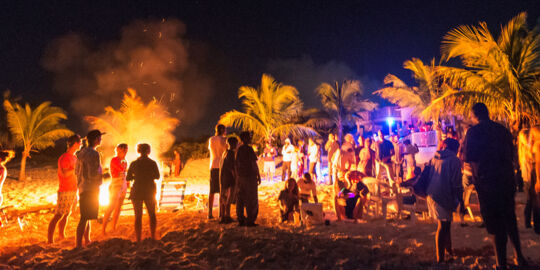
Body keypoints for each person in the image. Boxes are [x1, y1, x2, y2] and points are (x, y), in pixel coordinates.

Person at [462, 103, 527, 269]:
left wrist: (477, 180)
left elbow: (471, 159)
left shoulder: (473, 132)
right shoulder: (502, 129)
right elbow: (512, 155)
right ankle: (519, 256)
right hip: (506, 180)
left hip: (487, 183)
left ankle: (501, 263)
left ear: (474, 115)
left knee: (496, 225)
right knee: (510, 218)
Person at [426, 138, 463, 263]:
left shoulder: (435, 157)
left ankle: (449, 251)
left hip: (432, 194)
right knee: (443, 226)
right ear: (456, 149)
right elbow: (457, 183)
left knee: (446, 224)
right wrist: (461, 201)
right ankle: (440, 258)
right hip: (443, 194)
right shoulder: (455, 161)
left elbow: (430, 176)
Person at [48, 135, 82, 244]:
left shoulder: (74, 157)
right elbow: (65, 173)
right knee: (59, 214)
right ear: (75, 144)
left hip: (73, 189)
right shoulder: (65, 157)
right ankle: (50, 240)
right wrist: (75, 169)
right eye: (80, 142)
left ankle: (61, 234)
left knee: (67, 214)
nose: (81, 145)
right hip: (65, 189)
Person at [75, 129, 105, 248]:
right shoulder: (94, 154)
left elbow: (77, 171)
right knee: (84, 217)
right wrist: (103, 176)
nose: (101, 140)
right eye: (99, 137)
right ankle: (78, 244)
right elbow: (92, 173)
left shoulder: (81, 153)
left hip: (83, 187)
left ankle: (87, 240)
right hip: (90, 188)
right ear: (95, 139)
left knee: (86, 216)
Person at [126, 143, 160, 242]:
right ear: (148, 151)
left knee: (138, 216)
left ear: (138, 151)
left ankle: (138, 239)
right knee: (152, 214)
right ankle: (153, 236)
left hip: (137, 191)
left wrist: (135, 177)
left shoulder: (134, 163)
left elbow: (128, 177)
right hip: (149, 190)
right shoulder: (152, 163)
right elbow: (157, 176)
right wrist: (148, 176)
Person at [102, 143, 129, 235]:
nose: (125, 152)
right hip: (116, 184)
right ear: (118, 150)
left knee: (118, 208)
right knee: (111, 207)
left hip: (123, 184)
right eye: (123, 150)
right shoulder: (114, 160)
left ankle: (113, 227)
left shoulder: (124, 160)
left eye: (126, 150)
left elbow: (125, 173)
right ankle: (103, 229)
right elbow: (122, 170)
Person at [235, 131, 261, 227]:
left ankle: (240, 219)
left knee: (241, 198)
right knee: (252, 199)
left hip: (241, 177)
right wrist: (258, 175)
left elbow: (236, 164)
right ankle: (250, 220)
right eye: (249, 137)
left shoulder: (238, 150)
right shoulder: (249, 149)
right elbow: (253, 163)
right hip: (250, 176)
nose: (250, 139)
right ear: (245, 138)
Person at [208, 124, 227, 219]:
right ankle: (221, 213)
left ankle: (210, 213)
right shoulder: (224, 140)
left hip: (212, 165)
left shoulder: (211, 139)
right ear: (222, 130)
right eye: (225, 130)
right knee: (222, 190)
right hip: (221, 165)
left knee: (212, 190)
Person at [219, 136, 238, 224]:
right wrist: (235, 177)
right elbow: (232, 167)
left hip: (223, 178)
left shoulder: (224, 153)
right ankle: (227, 216)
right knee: (228, 198)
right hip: (229, 178)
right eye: (236, 143)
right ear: (234, 144)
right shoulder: (231, 153)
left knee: (223, 197)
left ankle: (223, 216)